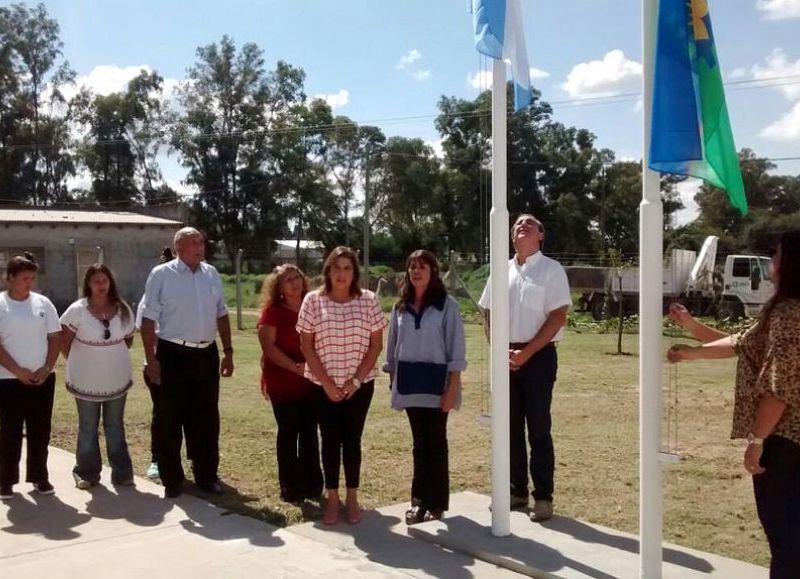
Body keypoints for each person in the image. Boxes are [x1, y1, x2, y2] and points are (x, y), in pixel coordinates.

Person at [667, 230, 800, 578]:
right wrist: (691, 336)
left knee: (786, 539)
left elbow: (778, 389)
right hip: (788, 442)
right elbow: (741, 343)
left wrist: (756, 442)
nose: (771, 260)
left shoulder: (789, 313)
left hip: (785, 443)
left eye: (777, 254)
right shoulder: (783, 311)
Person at [478, 214, 571, 522]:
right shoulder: (500, 271)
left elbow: (558, 316)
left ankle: (543, 497)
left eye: (530, 223)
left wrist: (527, 353)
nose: (522, 225)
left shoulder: (551, 270)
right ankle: (516, 491)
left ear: (541, 236)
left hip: (539, 357)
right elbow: (488, 315)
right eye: (518, 223)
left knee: (539, 428)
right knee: (510, 427)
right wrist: (500, 351)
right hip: (506, 358)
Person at [140, 227, 234, 498]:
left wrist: (228, 351)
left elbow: (221, 313)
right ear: (178, 247)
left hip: (206, 353)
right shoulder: (162, 275)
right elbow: (147, 321)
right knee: (171, 417)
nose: (199, 246)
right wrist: (151, 360)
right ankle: (172, 478)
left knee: (206, 418)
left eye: (201, 241)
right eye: (193, 242)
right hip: (172, 353)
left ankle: (206, 475)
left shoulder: (211, 274)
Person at [297, 246, 386, 525]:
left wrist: (355, 381)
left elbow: (376, 345)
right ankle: (332, 500)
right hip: (322, 386)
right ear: (328, 270)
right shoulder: (313, 301)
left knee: (352, 441)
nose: (341, 274)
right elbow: (307, 347)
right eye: (336, 268)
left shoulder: (369, 300)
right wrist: (327, 384)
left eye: (347, 268)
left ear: (354, 272)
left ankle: (352, 499)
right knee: (330, 441)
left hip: (359, 386)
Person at [384, 250, 466, 524]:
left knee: (436, 443)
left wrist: (452, 388)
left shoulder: (447, 305)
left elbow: (456, 349)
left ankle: (437, 503)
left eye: (423, 267)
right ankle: (418, 502)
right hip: (409, 384)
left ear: (433, 271)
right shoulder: (400, 306)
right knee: (419, 445)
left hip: (437, 385)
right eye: (412, 267)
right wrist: (393, 380)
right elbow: (392, 348)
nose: (416, 271)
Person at [60, 264, 136, 489]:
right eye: (96, 281)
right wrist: (85, 361)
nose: (101, 285)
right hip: (85, 378)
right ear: (89, 285)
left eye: (104, 280)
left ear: (110, 282)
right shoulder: (78, 310)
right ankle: (86, 472)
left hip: (116, 376)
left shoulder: (122, 309)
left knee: (115, 425)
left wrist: (110, 353)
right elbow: (65, 343)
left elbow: (129, 339)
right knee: (87, 426)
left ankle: (122, 473)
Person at [258, 264, 323, 505]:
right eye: (288, 280)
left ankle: (313, 484)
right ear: (279, 288)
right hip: (283, 379)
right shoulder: (273, 312)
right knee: (288, 433)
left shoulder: (313, 305)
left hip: (310, 380)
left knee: (309, 432)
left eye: (297, 277)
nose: (295, 283)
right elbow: (269, 348)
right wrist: (296, 367)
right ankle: (290, 487)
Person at [0, 253, 61, 500]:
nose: (30, 283)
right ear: (10, 278)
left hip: (42, 380)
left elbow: (55, 337)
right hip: (8, 380)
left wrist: (46, 368)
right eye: (25, 278)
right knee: (9, 431)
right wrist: (18, 371)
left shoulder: (43, 304)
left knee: (40, 431)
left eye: (32, 278)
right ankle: (5, 481)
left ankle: (39, 477)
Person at [136, 246, 175, 480]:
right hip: (159, 362)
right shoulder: (149, 297)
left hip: (185, 363)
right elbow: (146, 330)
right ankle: (157, 459)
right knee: (162, 414)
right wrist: (152, 362)